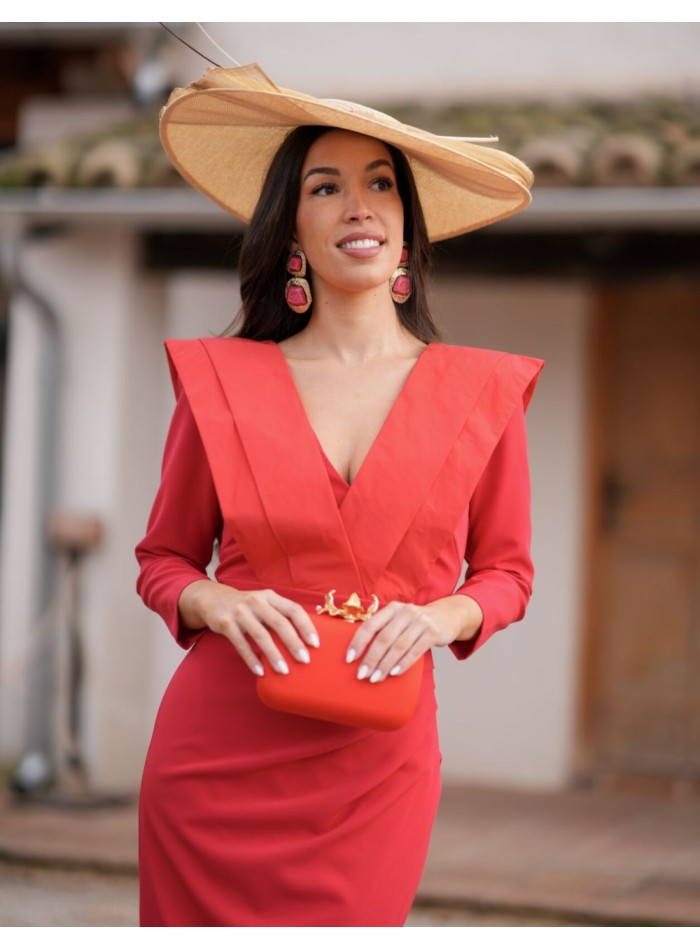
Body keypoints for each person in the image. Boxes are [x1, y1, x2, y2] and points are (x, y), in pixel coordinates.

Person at [136, 61, 543, 927]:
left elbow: (507, 575)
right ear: (292, 229)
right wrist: (214, 600)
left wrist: (440, 617)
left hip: (378, 766)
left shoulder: (482, 392)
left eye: (381, 184)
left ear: (406, 227)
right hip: (214, 760)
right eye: (326, 187)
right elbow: (164, 560)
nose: (359, 206)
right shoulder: (222, 383)